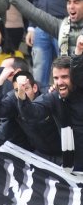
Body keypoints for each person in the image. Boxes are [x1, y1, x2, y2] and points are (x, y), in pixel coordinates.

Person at [0, 0, 83, 88]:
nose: (71, 6)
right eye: (69, 2)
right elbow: (33, 12)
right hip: (68, 92)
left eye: (76, 2)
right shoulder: (62, 27)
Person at [16, 43, 83, 172]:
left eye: (64, 77)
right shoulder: (52, 97)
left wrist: (79, 52)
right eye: (56, 78)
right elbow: (31, 113)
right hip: (74, 165)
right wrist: (21, 94)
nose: (59, 82)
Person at [0, 70, 62, 164]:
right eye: (17, 90)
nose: (21, 93)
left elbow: (30, 112)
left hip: (68, 151)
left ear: (34, 88)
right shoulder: (13, 101)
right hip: (43, 156)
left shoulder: (49, 94)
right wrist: (0, 80)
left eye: (25, 89)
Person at [24, 0, 81, 89]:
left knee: (65, 70)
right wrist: (31, 27)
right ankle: (39, 102)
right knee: (38, 75)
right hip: (40, 25)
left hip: (62, 24)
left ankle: (65, 102)